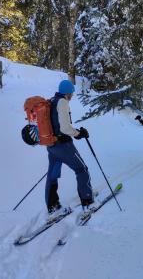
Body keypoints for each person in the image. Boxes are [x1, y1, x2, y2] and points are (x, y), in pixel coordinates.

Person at [45, 79, 94, 214]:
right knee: (81, 169)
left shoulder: (52, 100)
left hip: (51, 145)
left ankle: (52, 205)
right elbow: (65, 128)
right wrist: (78, 133)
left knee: (52, 175)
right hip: (63, 145)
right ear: (67, 92)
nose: (72, 95)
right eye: (71, 93)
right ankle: (87, 201)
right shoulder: (63, 102)